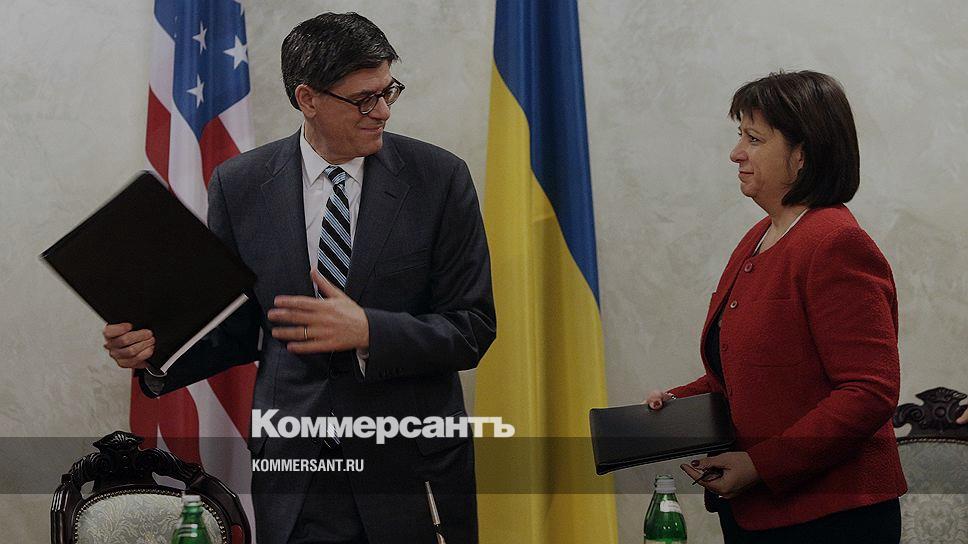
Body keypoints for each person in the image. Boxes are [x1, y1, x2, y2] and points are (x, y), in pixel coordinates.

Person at [102, 12, 495, 544]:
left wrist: (370, 331)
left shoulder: (440, 179)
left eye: (388, 91)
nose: (382, 111)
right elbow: (237, 324)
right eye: (364, 99)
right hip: (297, 472)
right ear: (307, 98)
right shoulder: (239, 184)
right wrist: (156, 349)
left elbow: (472, 326)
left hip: (408, 469)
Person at [645, 71, 907, 543]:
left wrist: (760, 465)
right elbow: (755, 369)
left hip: (830, 521)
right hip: (757, 514)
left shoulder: (836, 243)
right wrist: (678, 403)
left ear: (802, 155)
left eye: (754, 138)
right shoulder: (758, 237)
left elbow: (869, 391)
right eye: (740, 136)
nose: (736, 153)